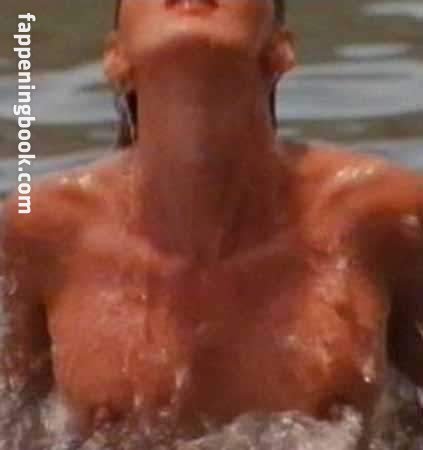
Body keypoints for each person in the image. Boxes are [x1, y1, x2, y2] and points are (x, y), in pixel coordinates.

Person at [1, 0, 422, 441]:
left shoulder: (377, 215)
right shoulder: (45, 228)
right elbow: (15, 430)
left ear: (280, 52)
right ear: (115, 59)